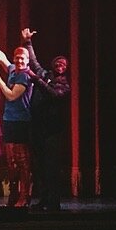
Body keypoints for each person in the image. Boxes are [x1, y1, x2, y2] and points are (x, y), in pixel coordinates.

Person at [0, 31, 34, 208]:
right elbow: (2, 59)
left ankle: (24, 195)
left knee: (22, 161)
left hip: (21, 121)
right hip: (9, 120)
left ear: (27, 60)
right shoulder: (13, 69)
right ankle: (14, 194)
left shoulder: (25, 75)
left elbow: (12, 95)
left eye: (22, 58)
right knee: (12, 160)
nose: (19, 61)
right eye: (17, 58)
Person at [25, 36, 70, 211]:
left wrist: (36, 79)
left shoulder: (64, 84)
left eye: (64, 64)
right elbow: (34, 62)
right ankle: (43, 199)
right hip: (38, 128)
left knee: (51, 167)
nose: (60, 65)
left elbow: (54, 94)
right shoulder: (45, 74)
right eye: (58, 63)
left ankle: (54, 201)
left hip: (52, 131)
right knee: (40, 167)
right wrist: (28, 43)